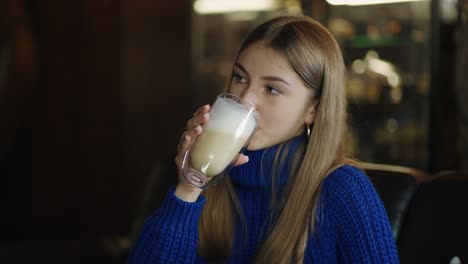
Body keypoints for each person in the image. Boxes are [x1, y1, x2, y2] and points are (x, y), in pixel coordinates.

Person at [128, 15, 399, 263]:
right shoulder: (209, 181)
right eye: (239, 77)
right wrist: (189, 187)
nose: (245, 100)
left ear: (313, 109)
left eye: (271, 89)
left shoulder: (343, 191)